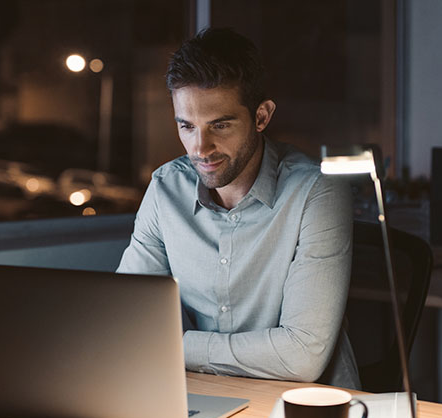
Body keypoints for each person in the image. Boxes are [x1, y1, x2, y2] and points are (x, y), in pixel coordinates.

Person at [117, 28, 358, 389]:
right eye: (186, 126)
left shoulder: (317, 192)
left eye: (220, 125)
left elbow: (302, 355)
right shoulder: (165, 188)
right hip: (192, 395)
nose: (200, 147)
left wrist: (170, 346)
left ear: (261, 117)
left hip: (302, 406)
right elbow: (123, 321)